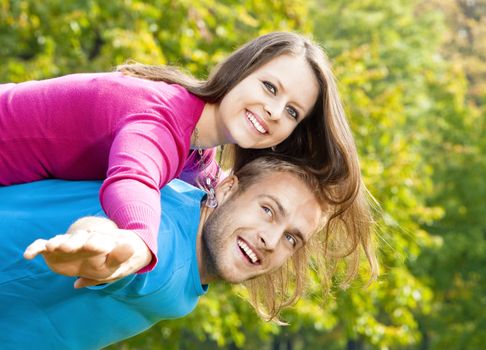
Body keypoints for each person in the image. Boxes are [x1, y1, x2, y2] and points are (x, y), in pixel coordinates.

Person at [0, 31, 362, 280]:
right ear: (239, 72)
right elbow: (134, 177)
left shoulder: (198, 150)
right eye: (269, 88)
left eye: (292, 112)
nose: (274, 111)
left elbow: (214, 183)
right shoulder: (163, 120)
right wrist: (140, 241)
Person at [0, 155, 376, 349]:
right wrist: (97, 244)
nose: (272, 240)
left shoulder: (181, 189)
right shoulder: (169, 256)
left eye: (293, 238)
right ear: (228, 189)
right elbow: (128, 242)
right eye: (267, 210)